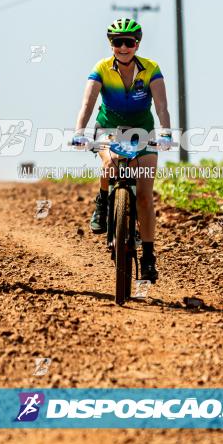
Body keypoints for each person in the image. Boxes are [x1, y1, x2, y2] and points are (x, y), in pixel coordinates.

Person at [72, 18, 172, 283]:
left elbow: (162, 106)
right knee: (110, 163)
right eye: (118, 42)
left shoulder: (151, 69)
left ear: (137, 44)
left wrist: (166, 131)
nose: (123, 47)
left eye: (129, 42)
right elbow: (88, 103)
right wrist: (79, 131)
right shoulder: (102, 68)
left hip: (143, 131)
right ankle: (104, 202)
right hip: (109, 128)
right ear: (111, 44)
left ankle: (149, 257)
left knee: (145, 195)